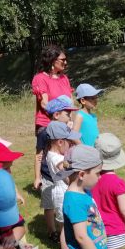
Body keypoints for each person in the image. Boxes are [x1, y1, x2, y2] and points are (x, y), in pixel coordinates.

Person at [34, 96, 78, 241]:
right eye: (67, 114)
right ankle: (52, 231)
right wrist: (37, 177)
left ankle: (60, 231)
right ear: (56, 115)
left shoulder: (65, 131)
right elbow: (39, 155)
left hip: (59, 172)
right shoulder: (44, 133)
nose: (70, 117)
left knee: (59, 205)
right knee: (49, 204)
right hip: (48, 174)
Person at [45, 121, 83, 249]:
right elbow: (63, 168)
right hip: (61, 194)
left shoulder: (56, 153)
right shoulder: (56, 158)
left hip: (63, 192)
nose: (72, 144)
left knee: (69, 225)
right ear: (60, 142)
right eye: (70, 142)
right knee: (65, 228)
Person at [32, 45, 73, 135]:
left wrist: (70, 120)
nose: (65, 62)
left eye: (66, 59)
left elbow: (70, 102)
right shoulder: (40, 78)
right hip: (47, 125)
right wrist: (59, 119)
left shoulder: (64, 78)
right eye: (63, 60)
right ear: (52, 60)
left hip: (65, 125)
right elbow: (44, 103)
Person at [71, 83, 103, 147]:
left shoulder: (94, 116)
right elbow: (74, 136)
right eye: (92, 98)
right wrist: (84, 148)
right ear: (83, 100)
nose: (96, 100)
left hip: (95, 150)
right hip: (86, 153)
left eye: (96, 97)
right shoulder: (80, 116)